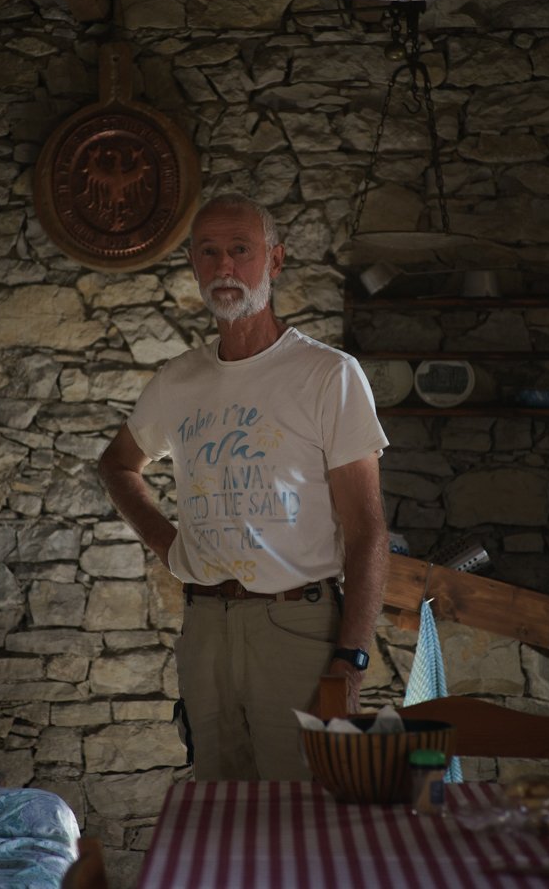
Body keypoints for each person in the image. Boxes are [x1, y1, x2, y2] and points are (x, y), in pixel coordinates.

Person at [98, 193, 390, 781]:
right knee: (220, 811)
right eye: (209, 253)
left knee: (305, 813)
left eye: (240, 251)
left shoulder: (328, 375)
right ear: (194, 265)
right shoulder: (179, 380)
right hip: (205, 625)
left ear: (275, 261)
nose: (224, 267)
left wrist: (352, 659)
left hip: (298, 627)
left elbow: (365, 532)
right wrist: (169, 543)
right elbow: (118, 465)